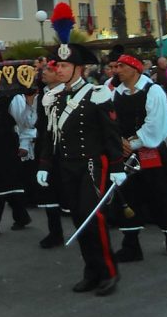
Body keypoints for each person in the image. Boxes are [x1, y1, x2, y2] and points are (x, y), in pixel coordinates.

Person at [36, 34, 123, 297]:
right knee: (78, 218)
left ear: (79, 68)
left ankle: (108, 271)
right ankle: (91, 270)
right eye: (56, 66)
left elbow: (111, 134)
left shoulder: (97, 94)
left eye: (63, 66)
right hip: (66, 167)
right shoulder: (54, 98)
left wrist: (118, 167)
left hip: (91, 166)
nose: (58, 70)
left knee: (92, 217)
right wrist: (44, 164)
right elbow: (50, 135)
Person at [110, 53, 167, 260]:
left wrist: (131, 143)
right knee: (129, 196)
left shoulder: (153, 91)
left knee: (160, 195)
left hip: (151, 152)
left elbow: (156, 124)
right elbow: (112, 120)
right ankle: (131, 245)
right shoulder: (117, 93)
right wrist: (119, 141)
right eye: (116, 66)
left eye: (121, 66)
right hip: (126, 154)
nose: (117, 70)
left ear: (134, 68)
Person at [0, 87, 36, 236]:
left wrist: (25, 144)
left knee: (3, 185)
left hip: (8, 145)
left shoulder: (13, 98)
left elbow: (24, 122)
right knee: (6, 184)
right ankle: (21, 216)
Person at [34, 60, 67, 249]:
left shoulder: (67, 94)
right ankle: (55, 232)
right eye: (44, 69)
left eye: (49, 69)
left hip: (64, 150)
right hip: (46, 148)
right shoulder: (43, 94)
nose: (43, 72)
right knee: (49, 191)